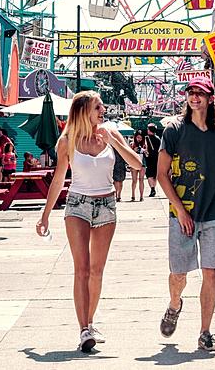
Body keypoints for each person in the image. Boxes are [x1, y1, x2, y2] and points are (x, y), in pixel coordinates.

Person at [36, 91, 143, 353]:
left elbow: (138, 164)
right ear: (84, 110)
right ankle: (84, 329)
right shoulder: (67, 141)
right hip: (77, 206)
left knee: (97, 271)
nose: (103, 110)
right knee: (81, 269)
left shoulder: (111, 134)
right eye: (98, 107)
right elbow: (59, 179)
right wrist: (45, 214)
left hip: (107, 205)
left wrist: (114, 143)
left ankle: (90, 321)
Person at [156, 77, 215, 353]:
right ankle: (175, 304)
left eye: (200, 93)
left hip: (213, 213)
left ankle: (205, 332)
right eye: (191, 92)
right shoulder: (174, 130)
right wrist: (181, 212)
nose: (194, 97)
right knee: (179, 274)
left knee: (210, 273)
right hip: (181, 214)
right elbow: (161, 175)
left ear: (211, 99)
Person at [144, 122, 162, 197]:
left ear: (149, 130)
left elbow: (145, 148)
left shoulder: (146, 138)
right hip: (157, 158)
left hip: (149, 158)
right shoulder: (158, 138)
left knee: (149, 175)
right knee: (155, 174)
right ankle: (153, 188)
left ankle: (152, 188)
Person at [129, 130, 147, 201]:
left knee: (141, 180)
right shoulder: (132, 144)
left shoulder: (145, 144)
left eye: (140, 138)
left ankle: (141, 196)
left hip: (142, 162)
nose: (139, 139)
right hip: (134, 162)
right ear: (135, 137)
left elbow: (147, 153)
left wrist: (144, 150)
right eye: (138, 137)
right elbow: (129, 153)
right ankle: (133, 195)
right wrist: (134, 150)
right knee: (134, 180)